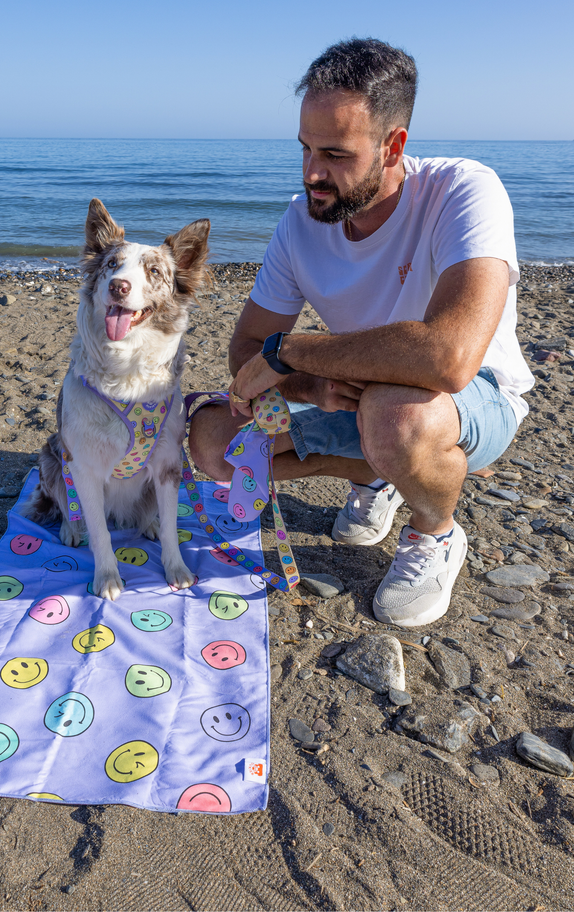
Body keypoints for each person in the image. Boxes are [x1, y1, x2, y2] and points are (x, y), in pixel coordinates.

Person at [189, 37, 534, 630]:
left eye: (335, 154)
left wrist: (292, 352)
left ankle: (437, 533)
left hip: (473, 396)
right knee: (213, 440)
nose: (312, 173)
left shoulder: (463, 192)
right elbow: (246, 351)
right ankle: (378, 475)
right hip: (357, 395)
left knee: (396, 415)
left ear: (393, 144)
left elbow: (449, 358)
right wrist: (311, 386)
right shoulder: (301, 222)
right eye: (304, 149)